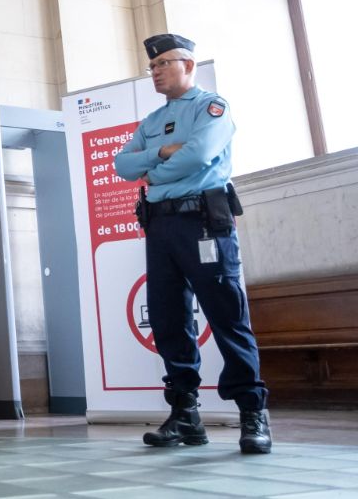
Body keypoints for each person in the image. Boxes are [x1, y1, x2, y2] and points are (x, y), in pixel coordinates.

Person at [114, 33, 271, 454]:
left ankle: (252, 413)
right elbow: (122, 165)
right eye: (151, 66)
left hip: (203, 222)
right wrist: (162, 153)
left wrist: (154, 170)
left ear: (188, 65)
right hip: (161, 227)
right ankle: (186, 415)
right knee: (168, 319)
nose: (155, 71)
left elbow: (199, 155)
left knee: (226, 315)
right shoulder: (152, 122)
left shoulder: (211, 108)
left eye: (163, 63)